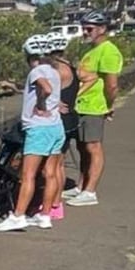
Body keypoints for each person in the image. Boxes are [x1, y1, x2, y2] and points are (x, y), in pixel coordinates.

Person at [0, 35, 64, 232]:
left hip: (39, 128)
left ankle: (18, 216)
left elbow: (46, 89)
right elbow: (40, 90)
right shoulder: (53, 70)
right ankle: (45, 216)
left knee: (28, 175)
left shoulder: (37, 71)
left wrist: (41, 105)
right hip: (55, 126)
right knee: (50, 173)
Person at [66, 10, 123, 206]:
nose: (85, 32)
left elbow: (112, 84)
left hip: (94, 107)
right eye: (83, 28)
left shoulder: (109, 51)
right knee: (82, 148)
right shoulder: (91, 51)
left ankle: (90, 192)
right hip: (81, 105)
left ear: (102, 29)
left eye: (89, 28)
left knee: (93, 147)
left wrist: (108, 105)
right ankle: (81, 186)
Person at [44, 32, 78, 221]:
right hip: (71, 119)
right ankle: (56, 204)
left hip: (61, 121)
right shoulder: (70, 67)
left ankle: (53, 205)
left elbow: (43, 90)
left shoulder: (57, 69)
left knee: (53, 166)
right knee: (60, 164)